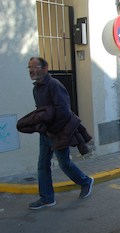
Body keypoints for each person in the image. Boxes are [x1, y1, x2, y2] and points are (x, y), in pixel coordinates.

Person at [24, 57, 94, 210]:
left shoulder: (54, 85)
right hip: (46, 133)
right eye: (29, 67)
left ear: (45, 68)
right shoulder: (36, 88)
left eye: (34, 66)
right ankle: (47, 198)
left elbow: (63, 111)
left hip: (58, 132)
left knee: (64, 164)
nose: (31, 70)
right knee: (42, 165)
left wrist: (52, 129)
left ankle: (86, 181)